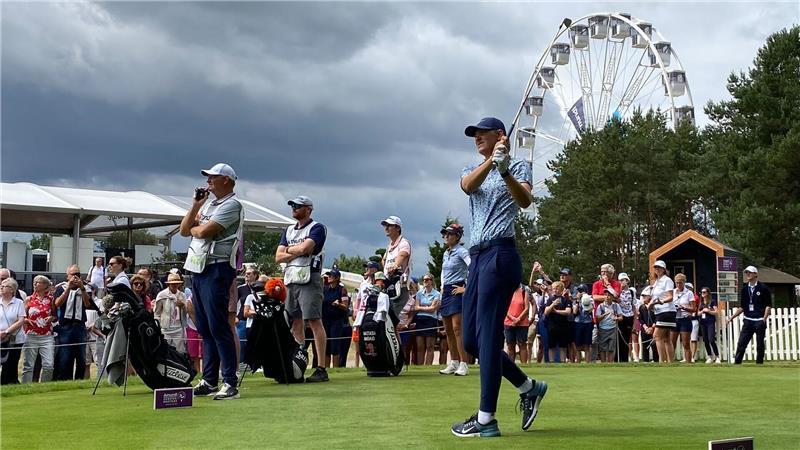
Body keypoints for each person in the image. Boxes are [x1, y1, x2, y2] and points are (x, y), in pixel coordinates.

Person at [451, 117, 547, 438]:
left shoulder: (519, 166)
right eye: (474, 134)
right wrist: (493, 162)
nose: (477, 137)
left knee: (489, 338)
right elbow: (467, 186)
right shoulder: (472, 167)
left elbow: (524, 200)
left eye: (482, 133)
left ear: (499, 135)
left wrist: (505, 169)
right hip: (477, 258)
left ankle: (486, 418)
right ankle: (528, 386)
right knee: (471, 341)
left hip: (500, 253)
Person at [181, 162, 244, 400]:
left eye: (212, 177)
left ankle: (229, 381)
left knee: (218, 327)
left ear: (226, 180)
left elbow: (205, 231)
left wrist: (198, 227)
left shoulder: (232, 205)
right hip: (198, 268)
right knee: (206, 328)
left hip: (217, 269)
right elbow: (185, 230)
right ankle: (209, 380)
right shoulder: (208, 204)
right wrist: (196, 205)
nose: (208, 181)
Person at [275, 195, 329, 382]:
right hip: (291, 279)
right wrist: (295, 250)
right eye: (293, 206)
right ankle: (298, 362)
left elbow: (305, 249)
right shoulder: (289, 230)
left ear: (308, 209)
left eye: (298, 206)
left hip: (309, 278)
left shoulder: (317, 228)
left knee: (314, 321)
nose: (294, 208)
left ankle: (321, 367)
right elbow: (278, 256)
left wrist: (289, 250)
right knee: (295, 322)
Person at [53, 265, 96, 380]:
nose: (75, 277)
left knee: (81, 356)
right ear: (67, 276)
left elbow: (88, 304)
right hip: (65, 325)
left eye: (78, 274)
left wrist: (82, 288)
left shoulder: (86, 288)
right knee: (65, 356)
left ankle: (79, 380)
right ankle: (64, 379)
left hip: (80, 325)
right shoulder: (61, 288)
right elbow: (57, 304)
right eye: (73, 275)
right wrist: (68, 288)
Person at [438, 223, 470, 376]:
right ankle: (454, 362)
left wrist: (467, 287)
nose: (446, 237)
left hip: (458, 289)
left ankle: (464, 363)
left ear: (457, 237)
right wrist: (442, 287)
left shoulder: (462, 252)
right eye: (445, 234)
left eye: (449, 234)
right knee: (448, 330)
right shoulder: (446, 253)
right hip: (446, 291)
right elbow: (444, 273)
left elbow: (473, 268)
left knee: (458, 329)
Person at [728, 266, 772, 364]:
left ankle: (759, 363)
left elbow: (768, 305)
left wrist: (764, 318)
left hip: (759, 320)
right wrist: (732, 317)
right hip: (748, 320)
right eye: (747, 272)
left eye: (750, 272)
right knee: (741, 343)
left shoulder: (763, 288)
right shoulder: (744, 289)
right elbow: (742, 307)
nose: (748, 274)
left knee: (760, 344)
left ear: (755, 274)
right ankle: (737, 363)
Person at [22, 275, 56, 383]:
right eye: (34, 282)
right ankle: (25, 386)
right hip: (31, 335)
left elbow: (55, 315)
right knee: (28, 365)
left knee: (48, 364)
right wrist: (27, 320)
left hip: (47, 335)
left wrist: (52, 317)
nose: (35, 284)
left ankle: (45, 386)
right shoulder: (29, 299)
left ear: (45, 285)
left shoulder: (51, 299)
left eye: (38, 282)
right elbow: (22, 316)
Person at [380, 215, 413, 317]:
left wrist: (395, 265)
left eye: (389, 225)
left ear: (398, 228)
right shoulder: (390, 245)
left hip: (400, 287)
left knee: (391, 319)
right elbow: (384, 260)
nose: (386, 228)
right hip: (390, 285)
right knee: (388, 320)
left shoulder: (404, 243)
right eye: (386, 225)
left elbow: (402, 255)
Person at [321, 269, 350, 368]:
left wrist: (338, 305)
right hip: (325, 320)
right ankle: (326, 368)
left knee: (335, 346)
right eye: (329, 275)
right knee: (327, 346)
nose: (329, 277)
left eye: (331, 276)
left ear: (337, 278)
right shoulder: (325, 289)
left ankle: (336, 369)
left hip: (337, 321)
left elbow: (345, 307)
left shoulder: (342, 289)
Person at [154, 273, 189, 353]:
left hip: (178, 328)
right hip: (165, 329)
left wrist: (182, 306)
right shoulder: (162, 295)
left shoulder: (182, 295)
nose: (175, 285)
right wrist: (158, 326)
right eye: (172, 283)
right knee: (165, 351)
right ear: (169, 284)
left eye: (177, 283)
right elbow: (157, 313)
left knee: (180, 351)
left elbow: (186, 311)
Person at [1, 277, 27, 384]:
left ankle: (8, 384)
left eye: (4, 286)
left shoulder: (19, 303)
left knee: (11, 364)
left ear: (12, 289)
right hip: (0, 339)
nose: (1, 287)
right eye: (1, 285)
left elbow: (21, 320)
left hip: (14, 339)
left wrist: (6, 332)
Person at [649, 260, 675, 363]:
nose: (657, 269)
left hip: (666, 311)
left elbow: (670, 297)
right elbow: (655, 297)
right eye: (655, 267)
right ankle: (670, 362)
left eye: (659, 267)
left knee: (657, 336)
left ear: (664, 269)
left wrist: (658, 302)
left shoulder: (667, 280)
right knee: (666, 338)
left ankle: (662, 361)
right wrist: (650, 304)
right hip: (660, 312)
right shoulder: (656, 282)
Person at [413, 273, 441, 365]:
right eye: (424, 279)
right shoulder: (419, 293)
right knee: (420, 346)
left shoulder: (436, 294)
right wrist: (427, 306)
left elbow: (433, 309)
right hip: (420, 320)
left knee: (430, 346)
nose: (425, 281)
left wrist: (422, 306)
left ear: (431, 281)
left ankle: (428, 365)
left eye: (427, 279)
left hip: (431, 320)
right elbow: (416, 307)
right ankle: (421, 366)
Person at [544, 281, 572, 363]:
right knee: (551, 346)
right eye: (554, 288)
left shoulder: (565, 300)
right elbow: (546, 312)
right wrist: (553, 304)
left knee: (563, 346)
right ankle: (552, 362)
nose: (555, 290)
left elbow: (568, 311)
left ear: (561, 289)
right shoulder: (550, 299)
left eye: (557, 288)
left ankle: (563, 361)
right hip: (552, 326)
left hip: (563, 326)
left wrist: (556, 311)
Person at [236, 267, 259, 363]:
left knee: (255, 343)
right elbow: (232, 303)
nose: (246, 275)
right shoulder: (240, 289)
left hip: (256, 320)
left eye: (249, 274)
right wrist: (235, 317)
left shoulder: (260, 288)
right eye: (246, 274)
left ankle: (253, 364)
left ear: (255, 275)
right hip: (242, 320)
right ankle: (241, 364)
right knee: (241, 344)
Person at [504, 284, 531, 364]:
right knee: (510, 345)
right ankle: (510, 366)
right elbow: (503, 307)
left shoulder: (524, 291)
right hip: (509, 322)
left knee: (522, 344)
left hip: (522, 323)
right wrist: (512, 319)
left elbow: (527, 308)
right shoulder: (506, 291)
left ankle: (524, 366)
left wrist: (518, 319)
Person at [672, 273, 696, 363]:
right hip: (675, 318)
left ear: (684, 283)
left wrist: (684, 307)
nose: (678, 285)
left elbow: (693, 309)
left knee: (686, 344)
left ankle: (688, 363)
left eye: (680, 283)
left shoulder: (689, 293)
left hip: (685, 318)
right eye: (677, 283)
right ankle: (670, 362)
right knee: (672, 342)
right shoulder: (673, 292)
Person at [595, 288, 622, 363]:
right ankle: (604, 364)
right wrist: (604, 315)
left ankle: (610, 363)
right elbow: (598, 318)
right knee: (603, 348)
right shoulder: (601, 306)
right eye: (606, 295)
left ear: (612, 297)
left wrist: (616, 318)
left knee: (611, 348)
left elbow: (621, 317)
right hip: (603, 329)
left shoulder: (616, 306)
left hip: (613, 328)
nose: (607, 297)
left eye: (609, 295)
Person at [616, 273, 637, 363]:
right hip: (621, 316)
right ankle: (618, 359)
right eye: (621, 280)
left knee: (627, 338)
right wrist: (620, 288)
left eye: (624, 280)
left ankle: (625, 359)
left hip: (629, 316)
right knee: (619, 338)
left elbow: (634, 306)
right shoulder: (617, 291)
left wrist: (635, 322)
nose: (623, 282)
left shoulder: (632, 291)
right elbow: (616, 298)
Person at [698, 287, 721, 364]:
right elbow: (698, 313)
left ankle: (717, 356)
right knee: (705, 340)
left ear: (708, 293)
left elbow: (716, 312)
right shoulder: (701, 303)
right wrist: (702, 311)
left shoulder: (712, 301)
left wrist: (708, 311)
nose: (702, 294)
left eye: (704, 292)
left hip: (710, 322)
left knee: (711, 339)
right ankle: (710, 356)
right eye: (701, 292)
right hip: (703, 323)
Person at [637, 286, 659, 363]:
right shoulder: (642, 307)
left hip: (654, 329)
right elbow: (640, 319)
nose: (643, 297)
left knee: (654, 346)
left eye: (645, 296)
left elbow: (656, 318)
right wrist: (645, 327)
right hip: (645, 329)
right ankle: (645, 361)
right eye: (643, 296)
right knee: (645, 346)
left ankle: (656, 361)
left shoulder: (655, 306)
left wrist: (652, 328)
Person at [572, 291, 594, 363]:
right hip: (578, 323)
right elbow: (575, 312)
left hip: (588, 324)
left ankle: (587, 363)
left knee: (587, 345)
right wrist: (578, 302)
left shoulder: (589, 300)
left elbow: (590, 310)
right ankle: (578, 363)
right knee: (578, 346)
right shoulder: (577, 302)